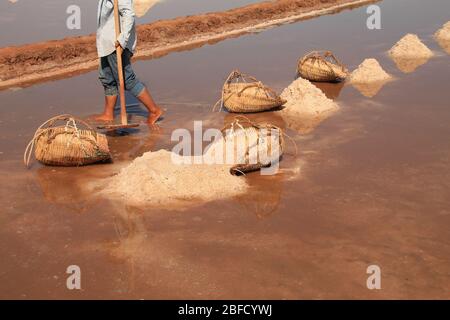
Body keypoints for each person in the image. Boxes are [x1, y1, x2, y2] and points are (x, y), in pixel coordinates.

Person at [95, 0, 162, 125]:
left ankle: (154, 110)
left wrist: (122, 39)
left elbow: (128, 13)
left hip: (116, 42)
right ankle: (108, 113)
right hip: (106, 42)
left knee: (126, 79)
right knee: (106, 77)